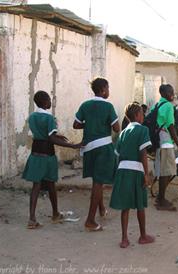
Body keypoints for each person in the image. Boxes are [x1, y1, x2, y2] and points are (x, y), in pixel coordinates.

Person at [23, 91, 81, 229]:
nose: (50, 102)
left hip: (36, 153)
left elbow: (42, 134)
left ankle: (32, 218)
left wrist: (57, 136)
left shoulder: (32, 117)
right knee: (51, 184)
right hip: (48, 155)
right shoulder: (49, 118)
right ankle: (55, 213)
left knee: (36, 186)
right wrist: (72, 145)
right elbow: (51, 138)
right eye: (49, 100)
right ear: (44, 102)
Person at [73, 78, 120, 232]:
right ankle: (90, 220)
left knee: (96, 180)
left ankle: (101, 209)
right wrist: (102, 123)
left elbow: (76, 124)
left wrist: (91, 123)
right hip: (103, 147)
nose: (109, 91)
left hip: (88, 148)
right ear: (103, 90)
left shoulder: (85, 105)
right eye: (108, 88)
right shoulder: (108, 106)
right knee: (98, 183)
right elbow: (117, 128)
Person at [110, 103, 155, 248]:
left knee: (125, 206)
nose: (143, 116)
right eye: (142, 113)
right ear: (137, 115)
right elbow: (143, 153)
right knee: (140, 205)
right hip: (136, 170)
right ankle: (142, 236)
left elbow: (117, 155)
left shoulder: (123, 132)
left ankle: (124, 239)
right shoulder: (143, 130)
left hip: (122, 170)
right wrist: (146, 174)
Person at [154, 84, 178, 211]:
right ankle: (161, 200)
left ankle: (160, 197)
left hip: (158, 140)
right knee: (166, 172)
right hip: (166, 141)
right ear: (165, 93)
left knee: (163, 171)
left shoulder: (158, 104)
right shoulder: (168, 106)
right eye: (170, 92)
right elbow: (171, 127)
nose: (173, 94)